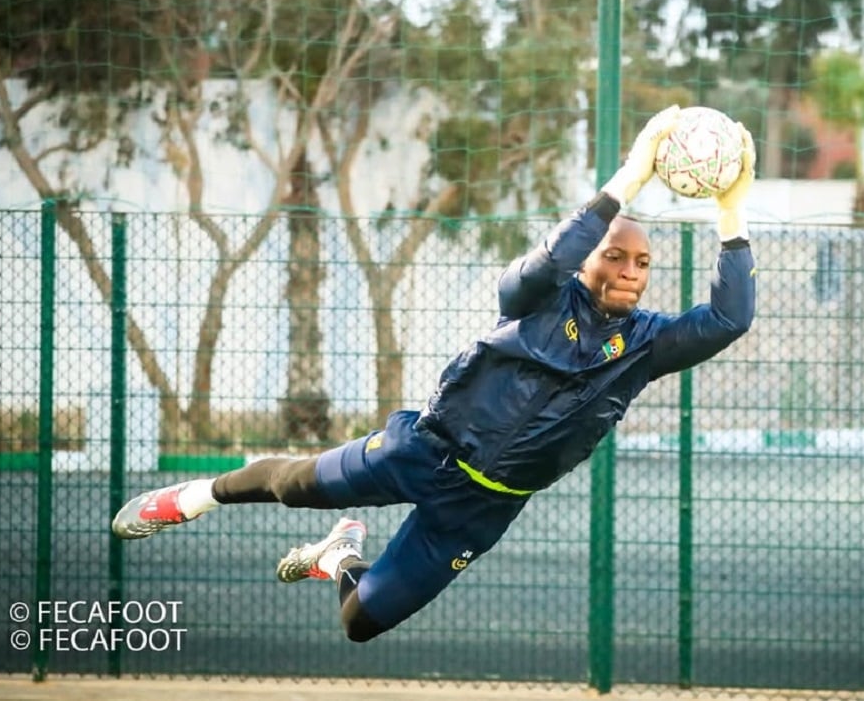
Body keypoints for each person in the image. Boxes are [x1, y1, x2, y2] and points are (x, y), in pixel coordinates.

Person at [111, 105, 757, 642]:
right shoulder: (536, 296)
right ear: (587, 259)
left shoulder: (646, 345)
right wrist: (631, 176)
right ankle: (190, 499)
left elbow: (731, 318)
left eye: (642, 263)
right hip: (423, 451)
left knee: (361, 621)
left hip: (484, 506)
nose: (630, 271)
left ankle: (338, 555)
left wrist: (732, 209)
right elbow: (546, 263)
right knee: (293, 484)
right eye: (614, 255)